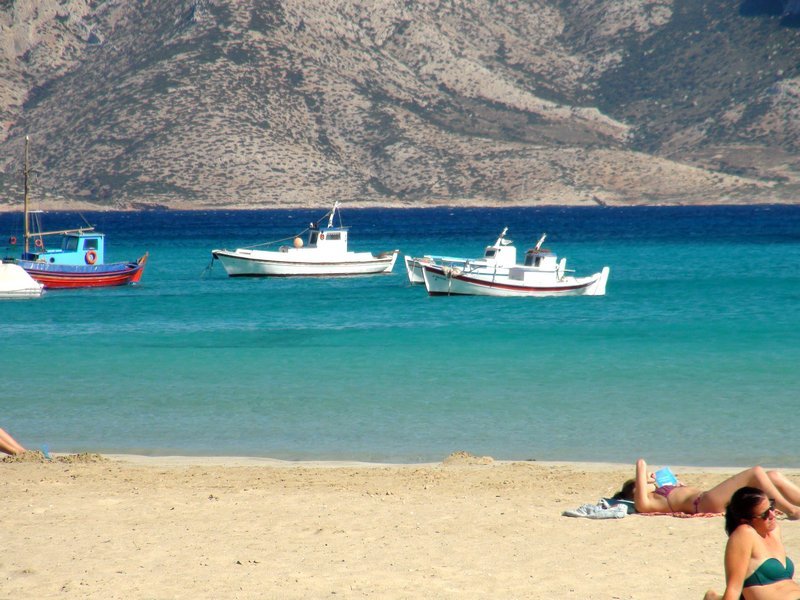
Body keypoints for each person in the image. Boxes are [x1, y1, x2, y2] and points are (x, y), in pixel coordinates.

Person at [612, 458, 800, 519]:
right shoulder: (646, 503)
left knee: (772, 475)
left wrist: (669, 483)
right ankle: (790, 510)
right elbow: (641, 462)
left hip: (708, 497)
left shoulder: (659, 493)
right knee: (755, 472)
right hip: (704, 503)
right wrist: (644, 478)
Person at [703, 486, 800, 600]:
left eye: (771, 507)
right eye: (764, 515)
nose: (772, 515)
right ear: (745, 520)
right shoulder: (744, 534)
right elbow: (733, 589)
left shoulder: (774, 531)